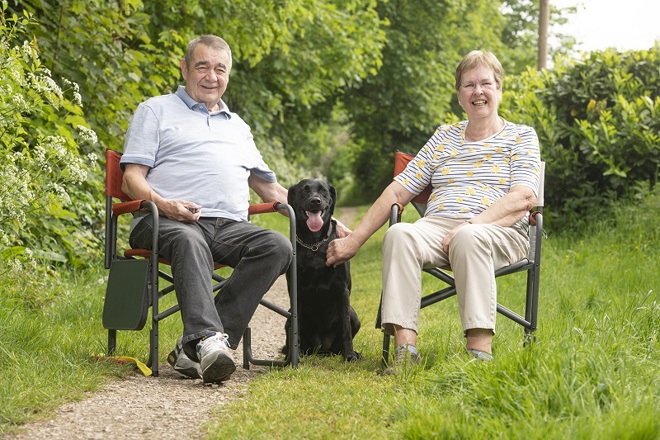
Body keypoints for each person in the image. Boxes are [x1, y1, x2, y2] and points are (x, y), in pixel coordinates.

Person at [326, 50, 541, 373]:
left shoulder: (521, 136)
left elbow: (523, 197)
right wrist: (355, 240)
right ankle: (405, 352)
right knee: (400, 233)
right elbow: (398, 190)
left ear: (499, 89)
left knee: (469, 237)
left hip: (499, 230)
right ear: (459, 95)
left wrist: (473, 223)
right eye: (469, 85)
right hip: (438, 227)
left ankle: (479, 354)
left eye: (485, 83)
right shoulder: (444, 136)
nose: (477, 92)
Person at [120, 35, 294, 384]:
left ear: (228, 75)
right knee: (189, 239)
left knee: (277, 246)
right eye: (202, 67)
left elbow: (270, 188)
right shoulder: (155, 110)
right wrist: (165, 205)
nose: (211, 76)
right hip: (163, 221)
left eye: (220, 69)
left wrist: (317, 217)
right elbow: (130, 179)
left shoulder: (238, 126)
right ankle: (208, 340)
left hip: (229, 227)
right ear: (184, 68)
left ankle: (197, 347)